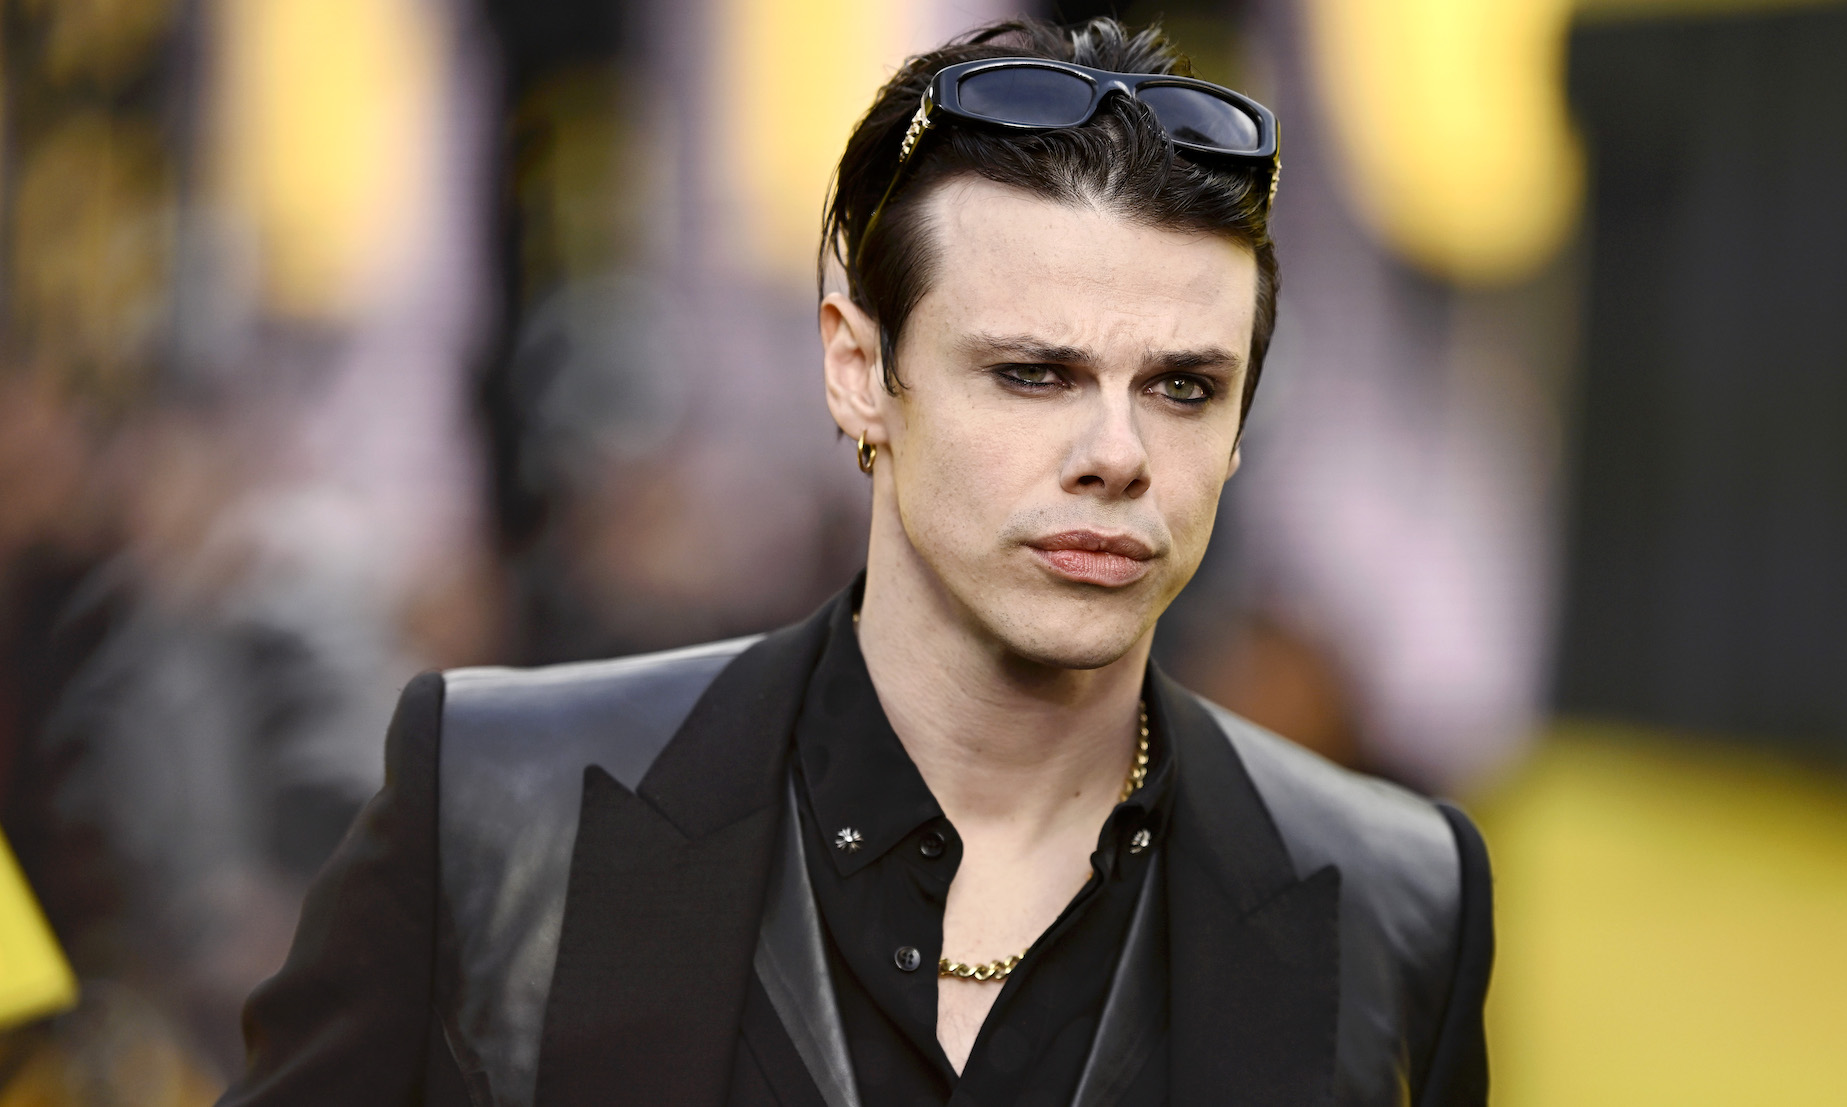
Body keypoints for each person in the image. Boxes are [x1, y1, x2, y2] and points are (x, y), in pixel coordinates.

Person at [220, 17, 1491, 1107]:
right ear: (855, 372)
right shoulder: (495, 809)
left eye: (1182, 387)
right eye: (1031, 374)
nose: (1115, 454)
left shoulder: (1395, 902)